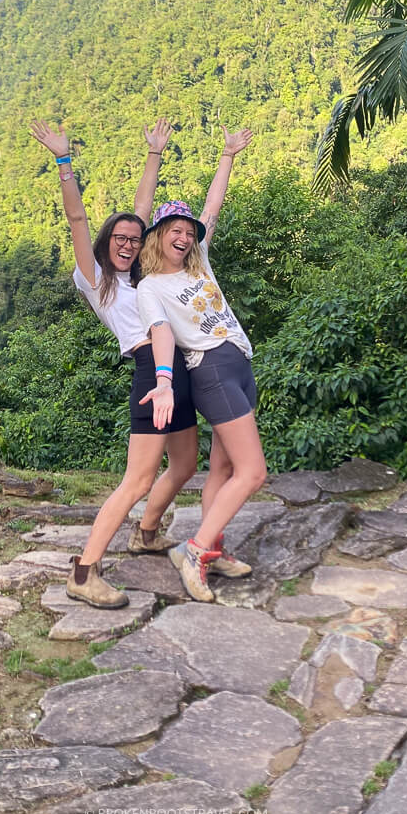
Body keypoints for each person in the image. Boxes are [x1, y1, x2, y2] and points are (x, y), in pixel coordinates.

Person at [29, 117, 198, 609]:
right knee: (139, 478)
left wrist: (155, 155)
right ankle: (84, 571)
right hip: (151, 370)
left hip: (178, 367)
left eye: (133, 239)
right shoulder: (94, 277)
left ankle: (146, 533)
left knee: (185, 465)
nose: (126, 243)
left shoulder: (142, 276)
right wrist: (64, 162)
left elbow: (141, 211)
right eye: (118, 239)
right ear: (106, 243)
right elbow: (78, 221)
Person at [136, 126, 267, 602]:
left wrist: (228, 155)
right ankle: (193, 550)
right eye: (175, 231)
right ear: (158, 237)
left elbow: (213, 206)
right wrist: (166, 382)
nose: (185, 237)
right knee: (253, 472)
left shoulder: (200, 263)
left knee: (224, 469)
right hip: (210, 369)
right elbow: (162, 333)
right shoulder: (151, 287)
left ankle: (213, 546)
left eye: (189, 233)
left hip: (239, 362)